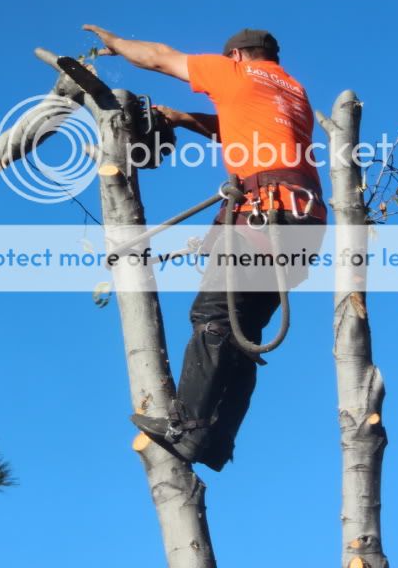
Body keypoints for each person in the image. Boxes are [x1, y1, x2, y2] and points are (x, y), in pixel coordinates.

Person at [83, 24, 327, 471]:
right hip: (304, 221)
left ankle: (187, 427)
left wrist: (115, 43)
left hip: (263, 212)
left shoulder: (233, 73)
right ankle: (217, 440)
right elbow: (235, 129)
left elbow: (159, 54)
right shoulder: (293, 92)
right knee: (243, 332)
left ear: (236, 56)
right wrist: (182, 118)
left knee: (214, 316)